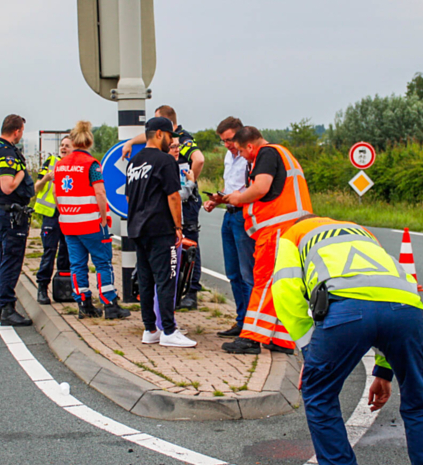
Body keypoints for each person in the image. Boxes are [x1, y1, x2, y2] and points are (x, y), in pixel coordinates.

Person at [271, 215, 423, 465]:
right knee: (420, 402)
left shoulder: (293, 235)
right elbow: (380, 295)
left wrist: (310, 348)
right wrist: (384, 371)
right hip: (407, 309)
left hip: (346, 310)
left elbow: (285, 292)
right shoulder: (362, 231)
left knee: (320, 398)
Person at [218, 126, 312, 355]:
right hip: (293, 229)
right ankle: (281, 339)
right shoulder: (283, 153)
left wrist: (239, 197)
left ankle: (251, 338)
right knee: (283, 284)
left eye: (241, 151)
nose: (241, 156)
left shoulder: (266, 154)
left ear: (250, 146)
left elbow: (261, 188)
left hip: (278, 229)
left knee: (265, 281)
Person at [123, 105, 205, 310]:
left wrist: (190, 183)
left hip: (183, 202)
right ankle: (165, 318)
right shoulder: (159, 150)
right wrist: (131, 141)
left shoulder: (183, 140)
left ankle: (190, 291)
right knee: (161, 267)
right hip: (162, 213)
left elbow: (199, 160)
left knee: (188, 245)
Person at [54, 121, 130, 320]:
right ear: (88, 142)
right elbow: (100, 192)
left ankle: (83, 304)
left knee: (77, 265)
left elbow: (56, 193)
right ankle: (110, 304)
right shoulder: (92, 164)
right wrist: (104, 217)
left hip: (68, 223)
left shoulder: (60, 165)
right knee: (102, 263)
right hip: (90, 223)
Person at [203, 116, 255, 338]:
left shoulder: (251, 157)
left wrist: (229, 198)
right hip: (229, 214)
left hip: (245, 216)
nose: (228, 145)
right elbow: (231, 187)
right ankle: (241, 321)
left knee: (247, 274)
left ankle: (253, 327)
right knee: (233, 273)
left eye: (230, 139)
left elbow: (253, 189)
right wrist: (217, 199)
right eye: (224, 141)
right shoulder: (229, 156)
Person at [0, 114, 35, 327]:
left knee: (3, 256)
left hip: (1, 211)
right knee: (11, 260)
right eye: (22, 131)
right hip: (11, 214)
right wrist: (22, 173)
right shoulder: (6, 154)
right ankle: (7, 308)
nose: (21, 135)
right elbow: (8, 186)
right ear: (17, 131)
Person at [31, 136, 73, 304]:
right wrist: (47, 178)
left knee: (67, 250)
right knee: (49, 251)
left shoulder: (75, 165)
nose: (63, 148)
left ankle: (64, 288)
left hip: (69, 213)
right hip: (51, 214)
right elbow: (36, 188)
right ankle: (42, 287)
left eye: (67, 146)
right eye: (61, 145)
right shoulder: (51, 162)